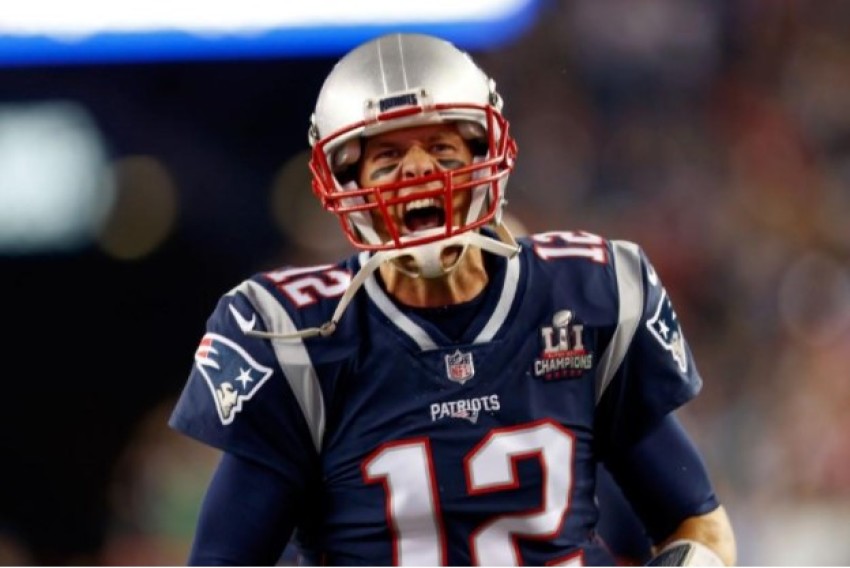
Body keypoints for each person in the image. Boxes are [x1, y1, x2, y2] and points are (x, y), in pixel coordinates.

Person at [169, 32, 737, 566]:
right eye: (387, 159)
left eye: (441, 147)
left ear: (485, 153)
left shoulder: (587, 296)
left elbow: (696, 521)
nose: (418, 171)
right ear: (346, 184)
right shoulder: (295, 337)